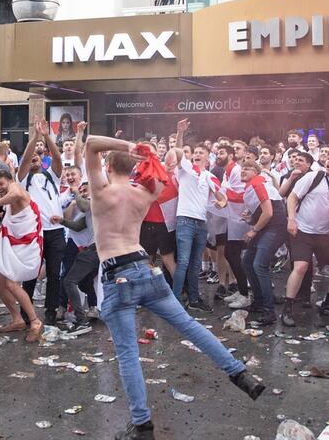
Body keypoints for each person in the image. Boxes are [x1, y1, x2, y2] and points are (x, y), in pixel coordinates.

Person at [83, 134, 263, 440]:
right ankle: (239, 373)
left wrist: (127, 147)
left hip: (118, 276)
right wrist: (144, 153)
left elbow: (89, 143)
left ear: (109, 165)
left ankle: (142, 426)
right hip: (145, 269)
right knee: (190, 326)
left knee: (128, 354)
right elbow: (164, 178)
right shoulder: (144, 191)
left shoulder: (102, 190)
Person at [283, 149, 329, 326]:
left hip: (326, 234)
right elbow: (292, 198)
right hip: (303, 230)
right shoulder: (314, 177)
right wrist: (291, 219)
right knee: (301, 266)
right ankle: (288, 307)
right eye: (327, 159)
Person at [0, 169, 43, 343]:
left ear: (10, 181)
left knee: (10, 282)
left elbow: (15, 193)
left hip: (28, 246)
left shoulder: (17, 190)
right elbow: (11, 221)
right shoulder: (9, 200)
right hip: (15, 246)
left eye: (2, 183)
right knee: (0, 283)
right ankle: (17, 319)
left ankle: (35, 322)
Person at [172, 119, 226, 311]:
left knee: (195, 264)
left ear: (207, 157)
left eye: (200, 153)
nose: (196, 155)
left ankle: (194, 299)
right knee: (184, 261)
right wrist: (180, 133)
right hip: (185, 220)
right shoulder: (186, 168)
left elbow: (222, 197)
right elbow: (178, 152)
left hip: (201, 223)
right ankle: (176, 301)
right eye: (195, 153)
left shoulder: (210, 176)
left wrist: (221, 202)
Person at [17, 118, 66, 325]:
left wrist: (47, 136)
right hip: (34, 233)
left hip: (55, 231)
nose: (34, 158)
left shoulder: (50, 176)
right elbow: (27, 157)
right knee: (30, 274)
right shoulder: (22, 178)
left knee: (54, 273)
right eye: (31, 157)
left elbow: (57, 156)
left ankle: (51, 310)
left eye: (38, 155)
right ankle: (26, 313)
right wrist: (35, 136)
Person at [238, 159, 287, 325]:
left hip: (275, 227)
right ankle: (259, 301)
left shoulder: (258, 184)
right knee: (247, 261)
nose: (243, 171)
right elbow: (260, 215)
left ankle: (269, 310)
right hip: (267, 227)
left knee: (259, 265)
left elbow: (268, 213)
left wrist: (254, 230)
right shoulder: (252, 186)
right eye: (242, 168)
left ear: (256, 172)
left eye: (248, 168)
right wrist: (251, 219)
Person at [60, 165, 97, 336]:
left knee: (69, 281)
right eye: (81, 190)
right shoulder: (87, 203)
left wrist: (75, 192)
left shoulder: (94, 201)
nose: (82, 191)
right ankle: (94, 308)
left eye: (85, 189)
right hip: (94, 249)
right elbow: (77, 225)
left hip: (96, 249)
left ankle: (82, 321)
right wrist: (60, 220)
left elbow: (83, 207)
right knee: (84, 281)